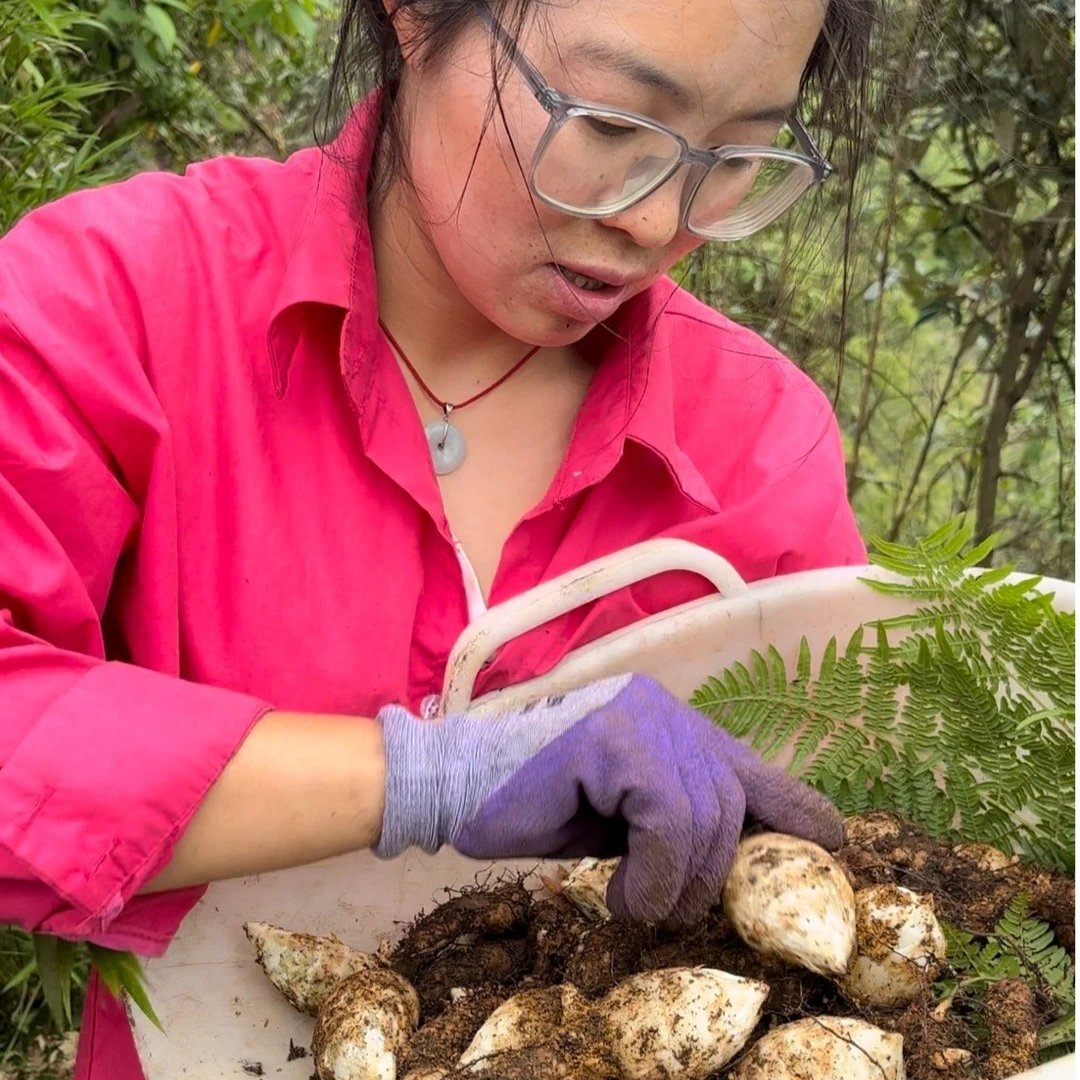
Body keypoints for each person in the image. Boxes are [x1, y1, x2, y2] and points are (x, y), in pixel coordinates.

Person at [0, 0, 876, 1075]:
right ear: (414, 17)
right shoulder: (123, 301)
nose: (657, 224)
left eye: (737, 153)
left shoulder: (759, 445)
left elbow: (840, 837)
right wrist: (430, 777)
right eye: (607, 123)